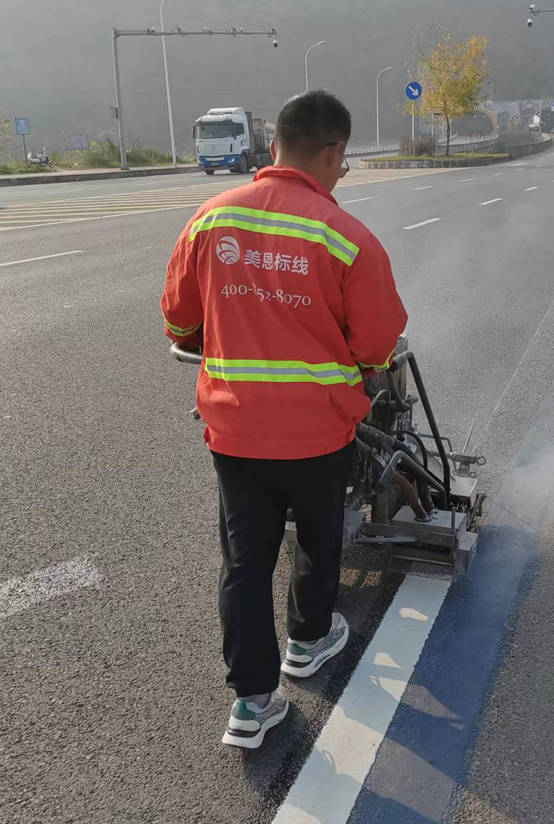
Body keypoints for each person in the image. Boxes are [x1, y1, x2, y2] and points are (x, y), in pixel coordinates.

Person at [160, 91, 407, 749]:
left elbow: (180, 319)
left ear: (274, 146)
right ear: (335, 152)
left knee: (244, 559)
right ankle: (308, 640)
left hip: (235, 432)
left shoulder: (210, 220)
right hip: (319, 434)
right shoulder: (347, 238)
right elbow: (378, 347)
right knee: (320, 539)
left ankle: (251, 703)